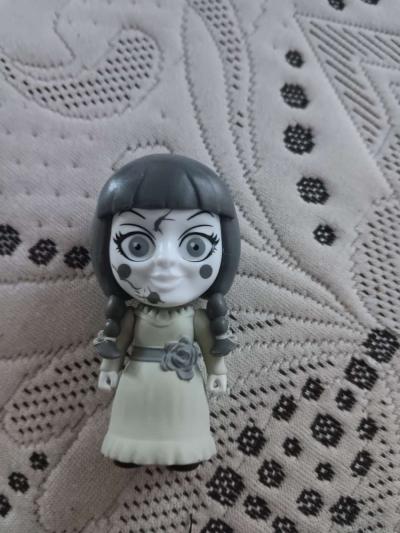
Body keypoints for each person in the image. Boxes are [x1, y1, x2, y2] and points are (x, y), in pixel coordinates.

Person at [91, 154, 240, 470]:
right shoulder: (131, 317)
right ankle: (129, 448)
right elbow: (118, 343)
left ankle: (184, 451)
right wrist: (109, 367)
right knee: (134, 417)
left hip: (182, 388)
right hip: (137, 381)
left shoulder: (196, 319)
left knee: (181, 419)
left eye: (196, 246)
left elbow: (210, 347)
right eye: (137, 245)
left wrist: (218, 371)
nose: (166, 261)